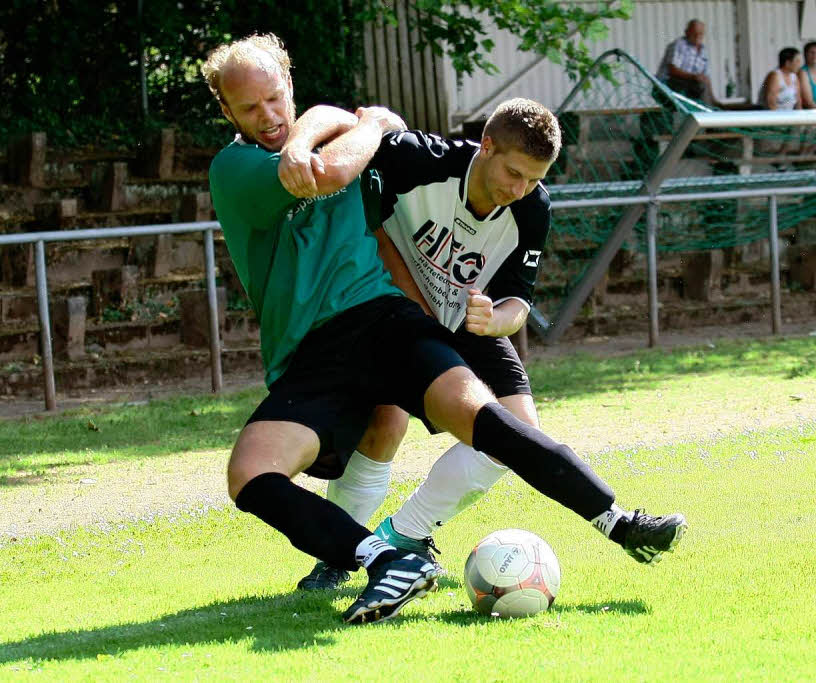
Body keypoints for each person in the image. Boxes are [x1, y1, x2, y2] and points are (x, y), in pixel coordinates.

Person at [202, 33, 687, 624]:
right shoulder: (235, 167)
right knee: (249, 474)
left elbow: (332, 119)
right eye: (249, 108)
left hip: (385, 319)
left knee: (488, 424)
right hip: (311, 350)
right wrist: (372, 125)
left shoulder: (330, 132)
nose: (269, 117)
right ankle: (383, 556)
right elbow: (329, 171)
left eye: (276, 100)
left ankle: (618, 521)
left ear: (289, 88)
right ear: (226, 112)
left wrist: (347, 123)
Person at [293, 99, 569, 590]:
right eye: (513, 173)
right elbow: (354, 128)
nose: (519, 189)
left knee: (520, 438)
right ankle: (336, 557)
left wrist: (494, 321)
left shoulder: (532, 207)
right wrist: (299, 143)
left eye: (533, 179)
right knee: (384, 423)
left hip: (464, 323)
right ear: (486, 146)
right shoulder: (418, 159)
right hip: (387, 314)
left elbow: (519, 303)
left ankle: (404, 535)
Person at [655, 19, 716, 104]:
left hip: (687, 83)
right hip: (667, 84)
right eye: (694, 33)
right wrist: (693, 77)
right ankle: (706, 113)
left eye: (701, 33)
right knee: (699, 85)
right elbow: (672, 70)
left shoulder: (703, 51)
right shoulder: (678, 45)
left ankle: (710, 108)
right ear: (687, 32)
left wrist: (713, 99)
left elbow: (705, 77)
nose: (697, 36)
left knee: (702, 84)